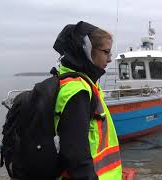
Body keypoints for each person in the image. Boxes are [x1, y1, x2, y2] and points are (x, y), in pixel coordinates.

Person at [53, 21, 122, 179]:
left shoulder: (82, 84)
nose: (110, 59)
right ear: (87, 50)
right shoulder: (77, 91)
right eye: (106, 52)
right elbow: (76, 157)